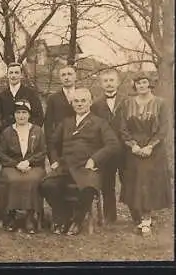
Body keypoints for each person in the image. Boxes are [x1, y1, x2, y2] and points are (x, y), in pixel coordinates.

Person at [41, 88, 120, 235]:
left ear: (90, 102)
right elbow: (52, 143)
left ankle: (77, 220)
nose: (79, 104)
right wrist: (54, 160)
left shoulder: (99, 123)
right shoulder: (66, 122)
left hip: (86, 168)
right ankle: (63, 217)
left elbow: (113, 144)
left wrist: (94, 160)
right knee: (47, 185)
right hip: (65, 167)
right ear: (72, 104)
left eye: (83, 101)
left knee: (88, 188)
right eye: (76, 101)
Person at [119, 72, 172, 236]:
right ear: (134, 85)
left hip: (154, 149)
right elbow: (123, 128)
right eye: (138, 83)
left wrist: (150, 146)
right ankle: (140, 217)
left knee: (147, 180)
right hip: (133, 149)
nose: (141, 86)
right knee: (135, 181)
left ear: (150, 84)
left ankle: (146, 219)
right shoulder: (127, 103)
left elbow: (164, 128)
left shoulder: (160, 103)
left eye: (144, 82)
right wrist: (133, 145)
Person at [0, 100, 46, 233]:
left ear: (29, 115)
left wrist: (29, 162)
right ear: (14, 115)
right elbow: (2, 154)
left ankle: (30, 216)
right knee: (13, 179)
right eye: (18, 113)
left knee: (33, 179)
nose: (21, 116)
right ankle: (10, 215)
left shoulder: (37, 131)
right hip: (13, 166)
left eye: (24, 112)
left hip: (33, 165)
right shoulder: (7, 132)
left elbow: (42, 152)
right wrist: (16, 164)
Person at [90, 69, 128, 223]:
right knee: (107, 184)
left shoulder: (127, 101)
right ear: (101, 84)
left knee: (128, 181)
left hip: (126, 149)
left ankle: (137, 214)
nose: (109, 84)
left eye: (112, 80)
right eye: (105, 81)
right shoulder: (96, 105)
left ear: (118, 82)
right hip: (106, 150)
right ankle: (110, 216)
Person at [0, 63, 44, 131]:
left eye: (16, 73)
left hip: (27, 135)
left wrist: (29, 131)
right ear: (7, 75)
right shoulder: (1, 95)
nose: (13, 75)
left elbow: (39, 117)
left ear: (21, 75)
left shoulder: (31, 93)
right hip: (7, 136)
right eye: (11, 73)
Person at [44, 65, 77, 154]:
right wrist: (51, 151)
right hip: (60, 144)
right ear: (60, 78)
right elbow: (48, 126)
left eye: (69, 74)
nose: (66, 77)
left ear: (75, 76)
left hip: (80, 143)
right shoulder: (53, 98)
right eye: (63, 75)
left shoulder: (84, 94)